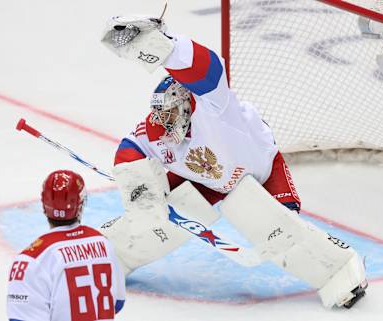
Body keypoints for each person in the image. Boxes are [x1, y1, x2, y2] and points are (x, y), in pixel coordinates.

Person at [99, 15, 367, 309]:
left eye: (171, 114)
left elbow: (208, 69)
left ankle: (341, 272)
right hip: (203, 179)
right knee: (154, 218)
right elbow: (130, 147)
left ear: (188, 105)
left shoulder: (216, 108)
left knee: (282, 231)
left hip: (257, 172)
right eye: (160, 115)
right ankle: (112, 256)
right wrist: (141, 190)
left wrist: (168, 48)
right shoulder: (156, 129)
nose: (164, 122)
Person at [6, 170, 126, 321]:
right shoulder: (103, 243)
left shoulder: (31, 260)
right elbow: (117, 302)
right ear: (81, 205)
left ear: (44, 205)